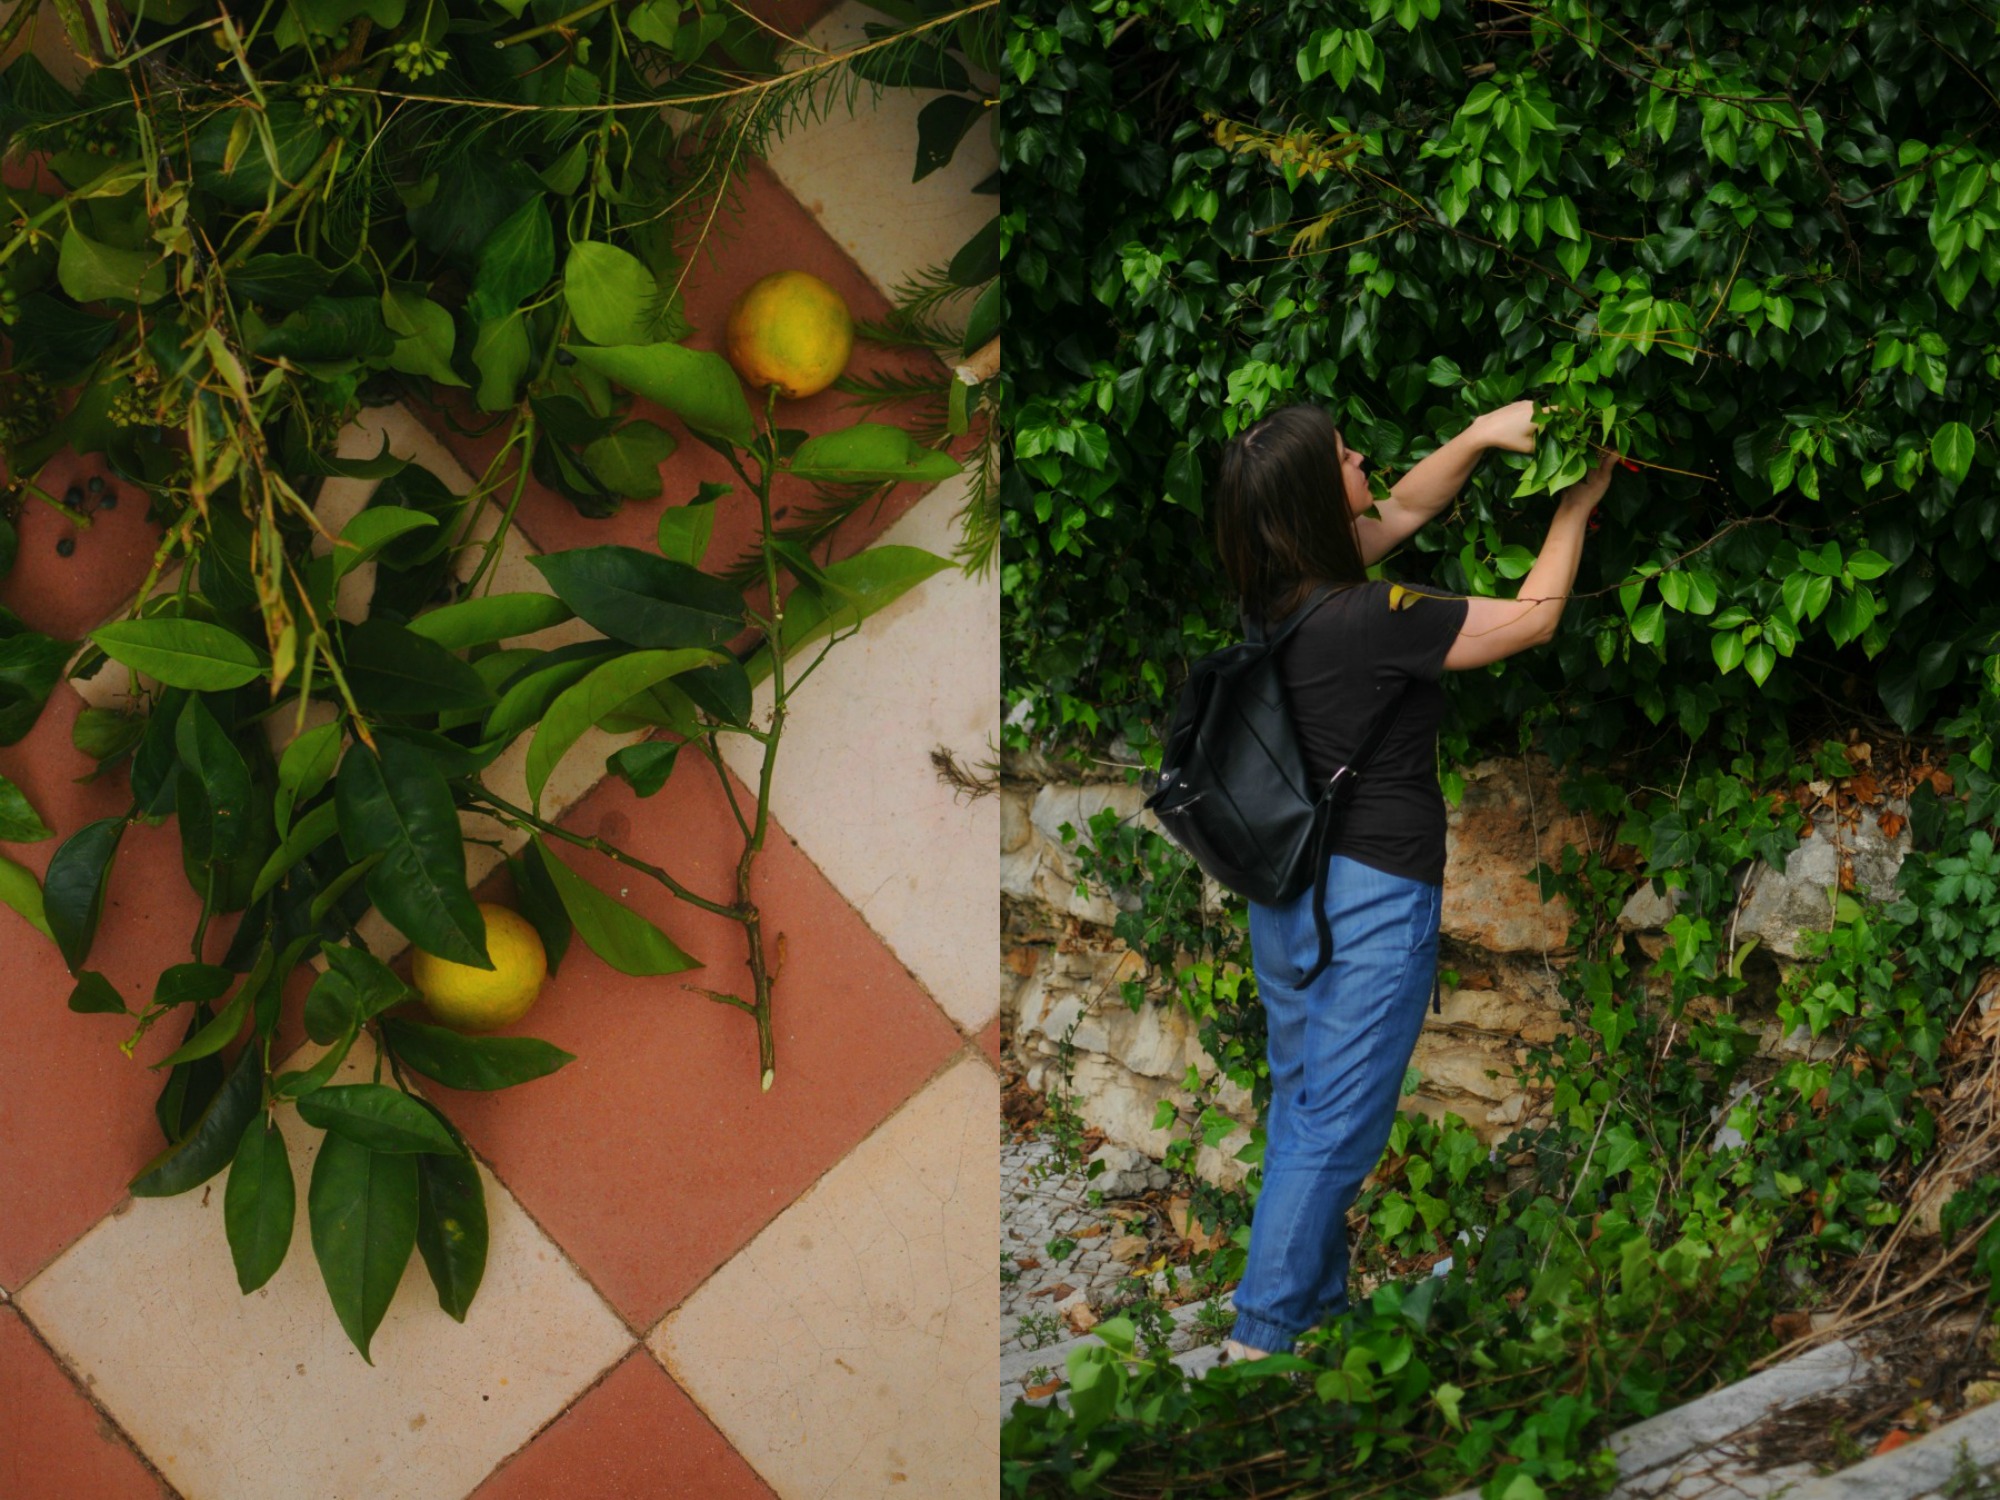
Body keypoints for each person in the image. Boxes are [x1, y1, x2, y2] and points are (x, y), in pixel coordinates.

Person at [1209, 398, 1621, 1361]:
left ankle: (1309, 1315)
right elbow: (1529, 619)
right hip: (1370, 896)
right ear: (1318, 503)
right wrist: (1577, 505)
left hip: (1287, 896)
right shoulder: (1369, 619)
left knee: (1305, 1104)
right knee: (1341, 1127)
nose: (1366, 459)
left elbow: (1403, 507)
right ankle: (1260, 1343)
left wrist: (1481, 436)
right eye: (1347, 459)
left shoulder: (1275, 589)